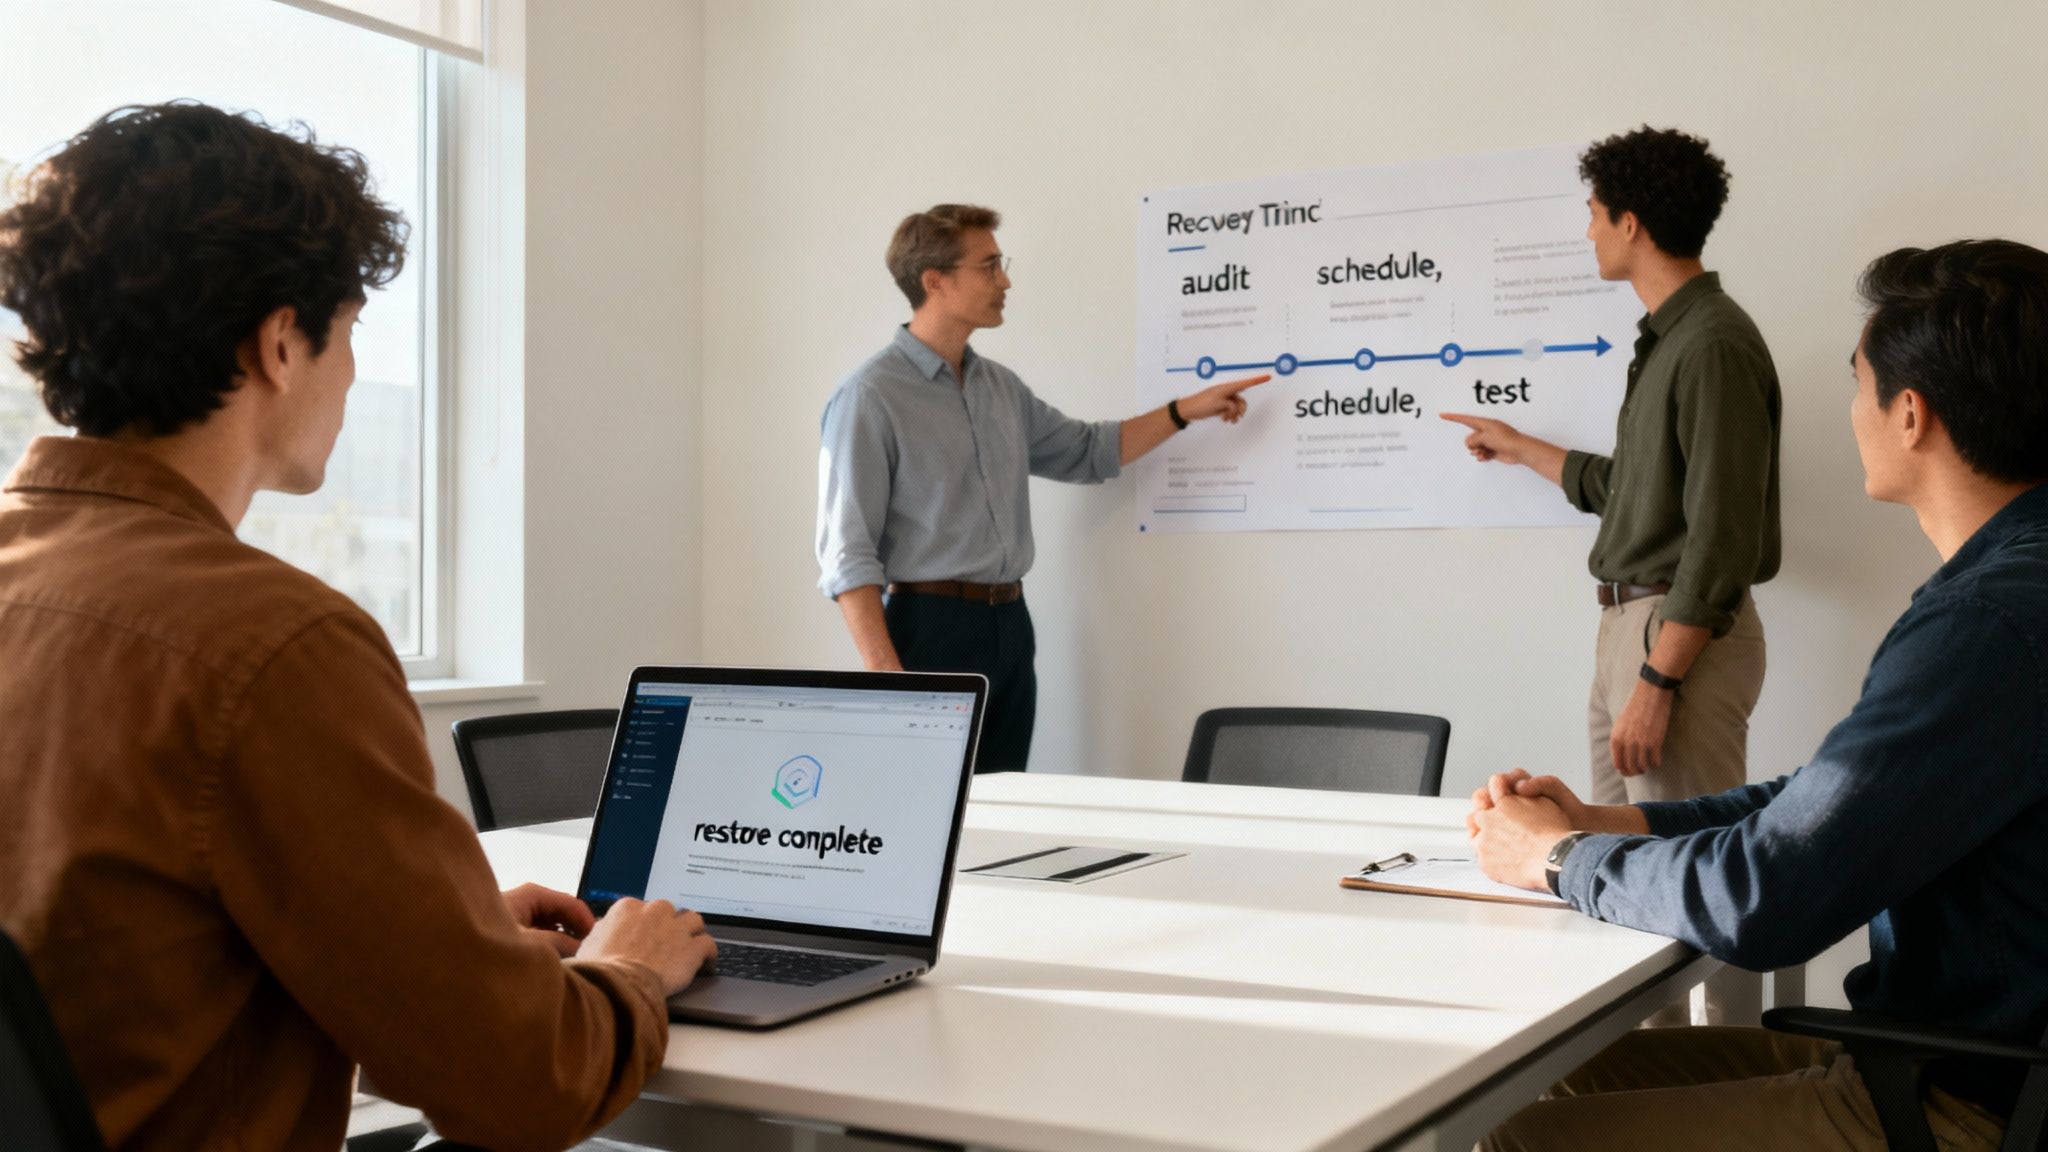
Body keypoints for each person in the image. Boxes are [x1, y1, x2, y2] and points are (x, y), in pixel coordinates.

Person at [0, 102, 715, 1152]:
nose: (348, 375)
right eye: (350, 333)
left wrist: (442, 938)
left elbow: (115, 952)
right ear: (280, 342)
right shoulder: (269, 643)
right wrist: (628, 970)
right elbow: (523, 1086)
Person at [1466, 239, 2048, 1151]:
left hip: (1959, 1103)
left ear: (1909, 414)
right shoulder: (2013, 590)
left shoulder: (1989, 624)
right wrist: (1611, 825)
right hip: (1941, 1060)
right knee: (1524, 1083)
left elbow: (1767, 897)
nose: (1846, 409)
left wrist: (1556, 862)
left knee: (1520, 1139)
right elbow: (1823, 801)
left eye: (1856, 383)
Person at [1441, 126, 1780, 1025]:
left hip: (1674, 639)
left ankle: (1721, 1075)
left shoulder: (1710, 343)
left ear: (1630, 223)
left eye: (1593, 216)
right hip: (1632, 629)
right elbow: (1634, 492)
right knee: (1611, 877)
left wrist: (1659, 678)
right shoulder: (1674, 339)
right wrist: (1522, 450)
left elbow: (1720, 534)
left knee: (1696, 877)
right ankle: (1646, 1080)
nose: (1587, 232)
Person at [816, 204, 1265, 774]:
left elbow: (1087, 451)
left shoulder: (998, 387)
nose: (1004, 281)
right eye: (989, 266)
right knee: (928, 811)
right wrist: (887, 679)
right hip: (926, 632)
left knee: (1002, 806)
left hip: (1009, 625)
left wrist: (1183, 411)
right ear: (935, 281)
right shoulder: (869, 396)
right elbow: (846, 555)